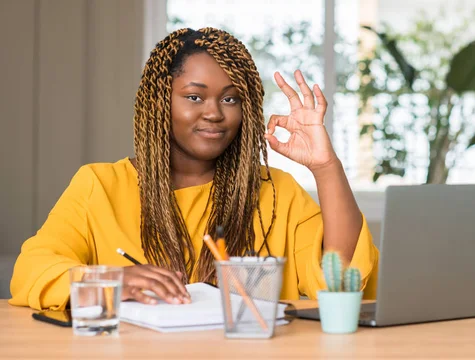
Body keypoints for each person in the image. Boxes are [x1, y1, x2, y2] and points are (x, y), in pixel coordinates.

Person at [9, 27, 379, 311]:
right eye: (194, 97)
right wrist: (114, 280)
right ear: (160, 102)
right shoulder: (100, 186)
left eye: (230, 98)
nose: (215, 112)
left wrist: (326, 166)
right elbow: (32, 272)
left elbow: (341, 278)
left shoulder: (275, 191)